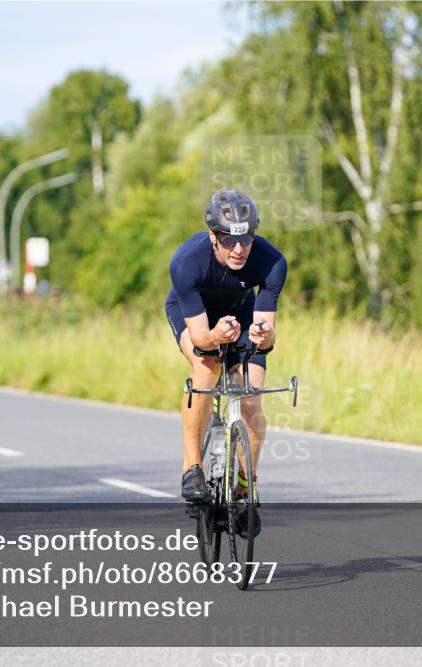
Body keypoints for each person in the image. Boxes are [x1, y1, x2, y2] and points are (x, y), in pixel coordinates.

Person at [165, 189, 288, 538]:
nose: (239, 249)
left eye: (246, 239)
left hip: (243, 313)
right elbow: (202, 338)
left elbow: (267, 329)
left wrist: (264, 337)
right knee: (205, 370)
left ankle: (245, 491)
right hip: (196, 316)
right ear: (212, 237)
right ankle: (192, 468)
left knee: (250, 397)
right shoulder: (187, 262)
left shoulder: (271, 261)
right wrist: (217, 336)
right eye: (228, 240)